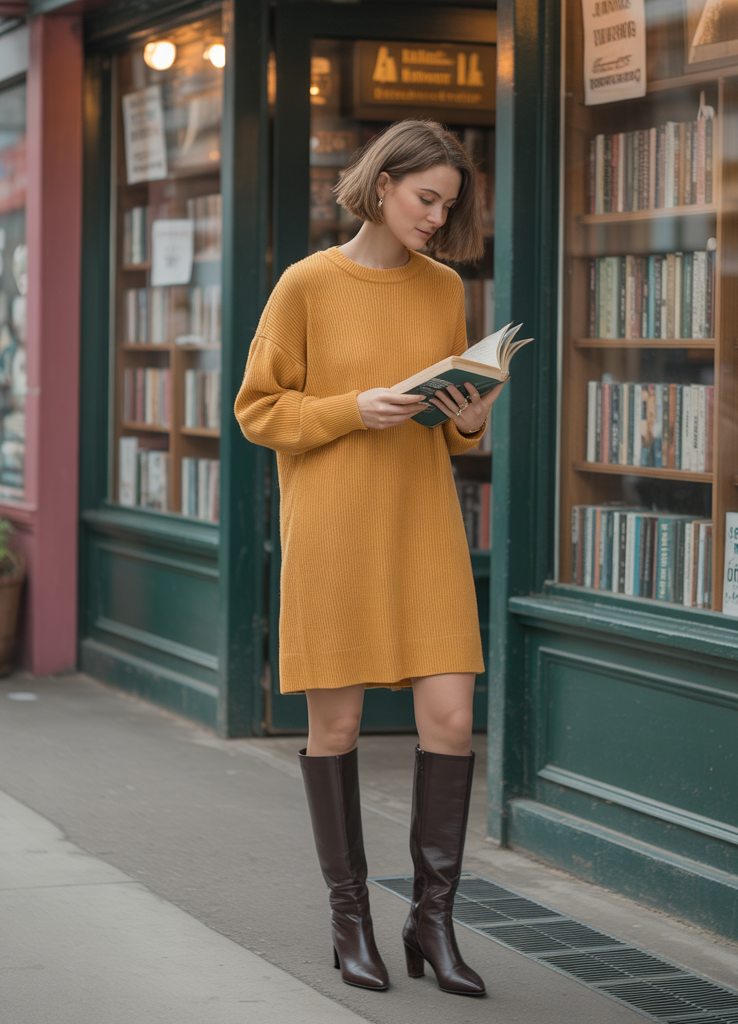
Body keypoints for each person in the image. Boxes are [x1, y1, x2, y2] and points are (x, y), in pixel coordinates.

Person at [234, 119, 504, 997]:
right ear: (382, 184)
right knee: (336, 730)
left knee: (454, 722)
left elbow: (459, 433)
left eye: (448, 204)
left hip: (423, 523)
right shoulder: (306, 284)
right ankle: (350, 921)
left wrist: (468, 415)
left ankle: (433, 920)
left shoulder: (443, 289)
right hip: (335, 528)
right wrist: (357, 407)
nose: (437, 216)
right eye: (426, 198)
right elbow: (258, 411)